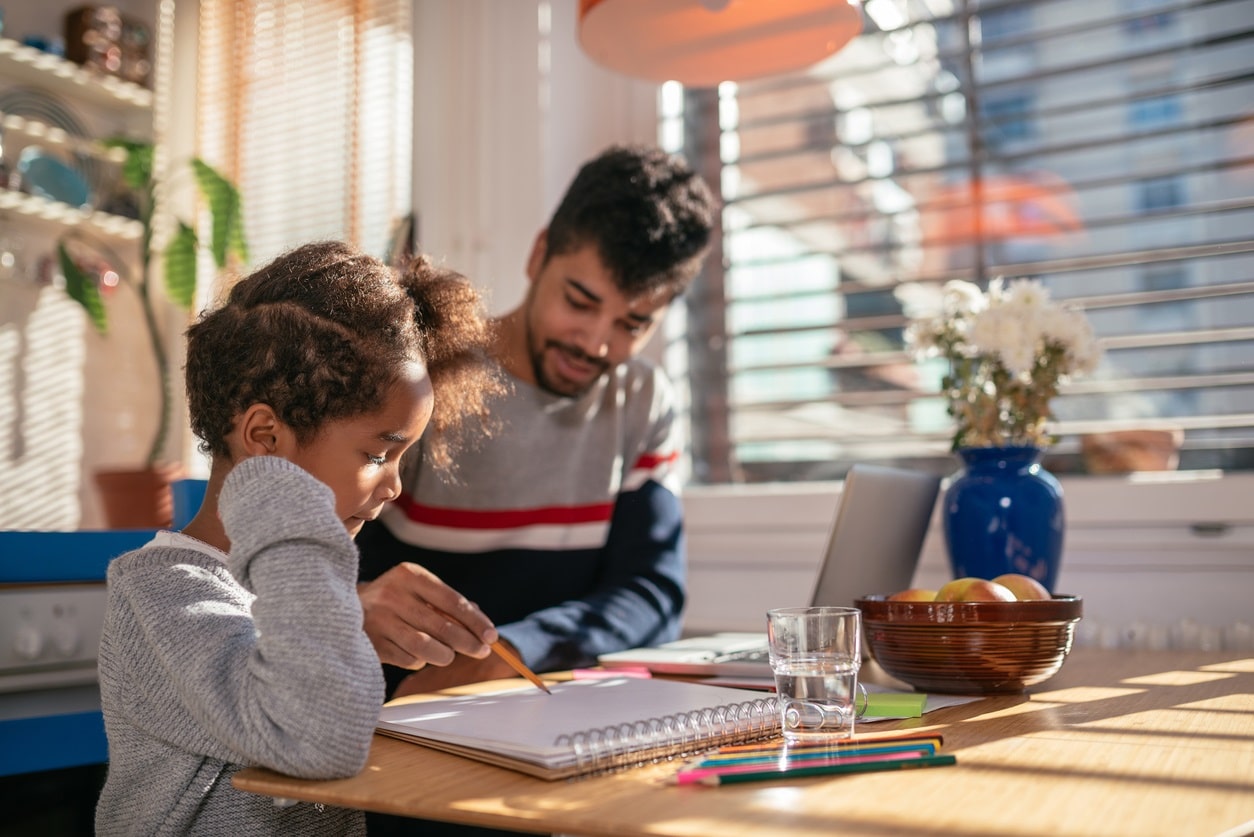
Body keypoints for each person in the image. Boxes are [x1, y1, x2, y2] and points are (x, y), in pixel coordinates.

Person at [94, 241, 503, 836]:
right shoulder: (159, 595)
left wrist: (347, 620)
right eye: (378, 453)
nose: (393, 487)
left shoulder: (290, 587)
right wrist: (270, 487)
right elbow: (319, 736)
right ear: (264, 435)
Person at [356, 143, 718, 703]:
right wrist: (353, 602)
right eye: (579, 301)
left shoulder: (642, 401)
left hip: (552, 702)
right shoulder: (421, 376)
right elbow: (307, 563)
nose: (595, 343)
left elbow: (651, 593)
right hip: (397, 712)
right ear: (539, 254)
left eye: (632, 323)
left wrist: (513, 654)